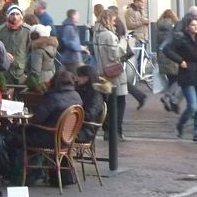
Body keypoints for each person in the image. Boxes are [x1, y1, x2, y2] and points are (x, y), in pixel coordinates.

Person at [92, 9, 129, 141]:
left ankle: (108, 130)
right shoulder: (109, 35)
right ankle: (116, 131)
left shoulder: (96, 33)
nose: (114, 24)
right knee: (120, 101)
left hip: (102, 71)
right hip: (114, 72)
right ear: (108, 20)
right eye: (113, 21)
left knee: (108, 103)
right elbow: (115, 54)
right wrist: (124, 42)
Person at [24, 70, 83, 152]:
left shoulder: (53, 98)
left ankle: (19, 163)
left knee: (15, 137)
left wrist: (23, 126)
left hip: (48, 139)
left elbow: (36, 119)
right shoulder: (77, 97)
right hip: (67, 140)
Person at [170, 17, 197, 142]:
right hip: (188, 74)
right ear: (187, 27)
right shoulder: (182, 39)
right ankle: (180, 125)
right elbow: (166, 49)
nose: (195, 27)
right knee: (193, 106)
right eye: (192, 25)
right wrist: (180, 61)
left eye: (196, 25)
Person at [0, 5, 30, 85]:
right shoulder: (0, 30)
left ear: (21, 16)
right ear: (8, 16)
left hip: (21, 72)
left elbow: (31, 51)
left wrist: (27, 71)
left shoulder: (28, 31)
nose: (15, 17)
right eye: (12, 14)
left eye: (17, 14)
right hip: (4, 71)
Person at [157, 9, 182, 113]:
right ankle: (167, 96)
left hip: (161, 57)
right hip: (172, 57)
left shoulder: (158, 29)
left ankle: (172, 101)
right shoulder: (175, 29)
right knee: (178, 79)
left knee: (171, 80)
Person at [74, 65, 107, 143]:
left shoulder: (95, 94)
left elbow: (90, 114)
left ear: (87, 78)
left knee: (54, 134)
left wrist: (72, 116)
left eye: (79, 76)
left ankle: (59, 155)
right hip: (78, 127)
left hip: (85, 131)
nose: (76, 78)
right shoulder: (82, 89)